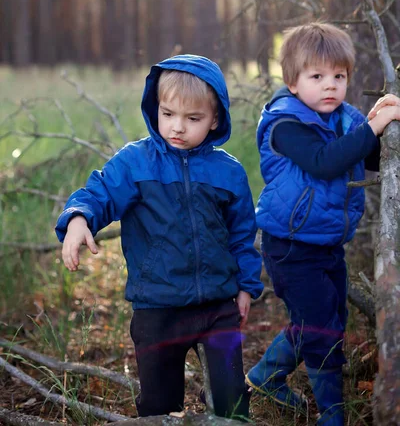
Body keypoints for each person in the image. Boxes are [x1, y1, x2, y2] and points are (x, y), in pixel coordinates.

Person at [56, 54, 263, 419]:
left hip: (217, 306)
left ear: (215, 120)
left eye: (193, 118)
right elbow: (98, 193)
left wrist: (245, 286)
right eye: (168, 114)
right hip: (157, 306)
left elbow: (242, 234)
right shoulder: (136, 163)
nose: (177, 127)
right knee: (159, 404)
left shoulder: (228, 172)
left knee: (232, 400)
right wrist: (77, 219)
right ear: (156, 109)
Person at [245, 23, 400, 425]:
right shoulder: (285, 125)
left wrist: (382, 127)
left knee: (327, 321)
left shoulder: (343, 118)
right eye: (317, 77)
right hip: (290, 247)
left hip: (327, 243)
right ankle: (332, 413)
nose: (329, 85)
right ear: (293, 82)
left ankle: (266, 375)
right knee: (320, 326)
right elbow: (324, 161)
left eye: (339, 76)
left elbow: (364, 156)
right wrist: (371, 129)